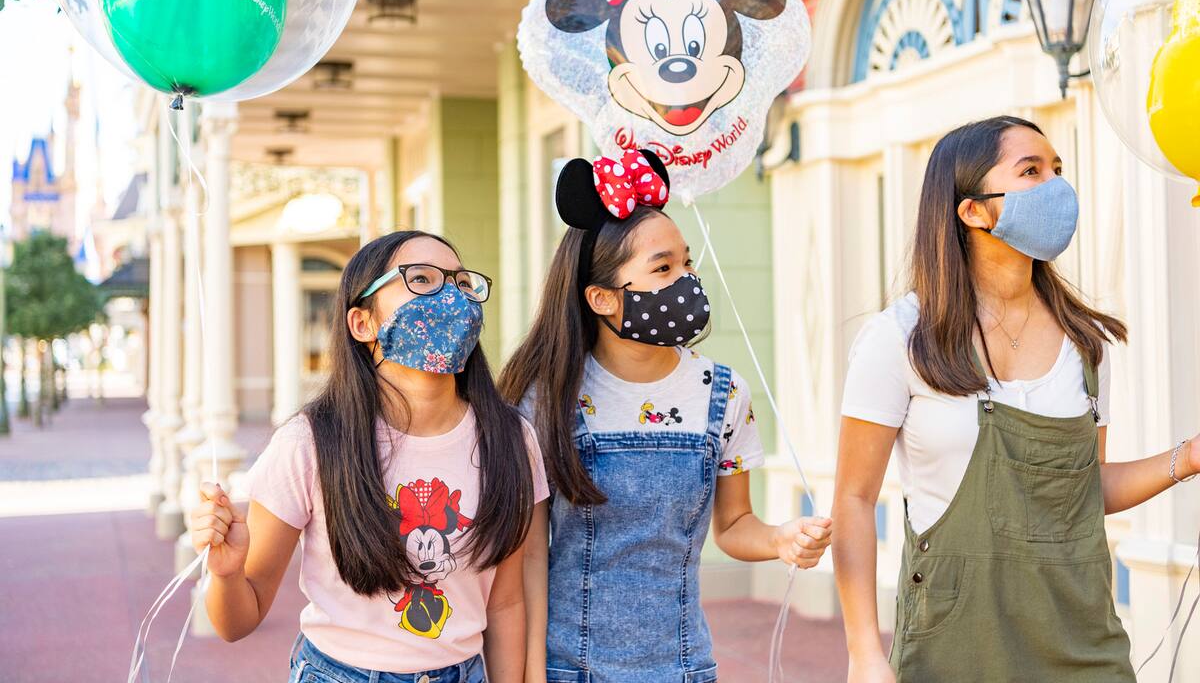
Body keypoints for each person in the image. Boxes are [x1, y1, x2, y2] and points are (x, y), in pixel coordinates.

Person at [832, 116, 1200, 683]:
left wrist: (1189, 459)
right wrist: (864, 652)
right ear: (972, 209)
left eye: (1058, 169)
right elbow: (855, 499)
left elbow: (1083, 488)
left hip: (1082, 641)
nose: (1056, 185)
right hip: (952, 646)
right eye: (1031, 171)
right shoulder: (900, 338)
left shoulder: (1087, 345)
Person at [499, 148, 833, 683]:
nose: (687, 281)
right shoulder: (546, 400)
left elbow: (734, 525)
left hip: (682, 668)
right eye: (663, 268)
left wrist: (781, 539)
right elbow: (528, 555)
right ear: (602, 298)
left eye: (687, 262)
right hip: (566, 669)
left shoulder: (724, 395)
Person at [189, 230, 550, 683]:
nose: (451, 298)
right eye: (421, 279)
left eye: (461, 284)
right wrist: (225, 574)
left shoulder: (512, 439)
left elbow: (506, 602)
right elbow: (237, 621)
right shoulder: (310, 442)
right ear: (362, 323)